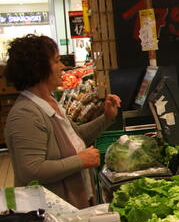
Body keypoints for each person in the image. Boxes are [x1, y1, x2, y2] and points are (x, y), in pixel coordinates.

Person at [3, 35, 121, 209]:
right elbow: (31, 170)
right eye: (57, 61)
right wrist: (80, 161)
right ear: (39, 68)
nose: (63, 67)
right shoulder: (25, 114)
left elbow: (76, 137)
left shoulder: (48, 101)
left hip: (72, 205)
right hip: (50, 213)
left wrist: (106, 118)